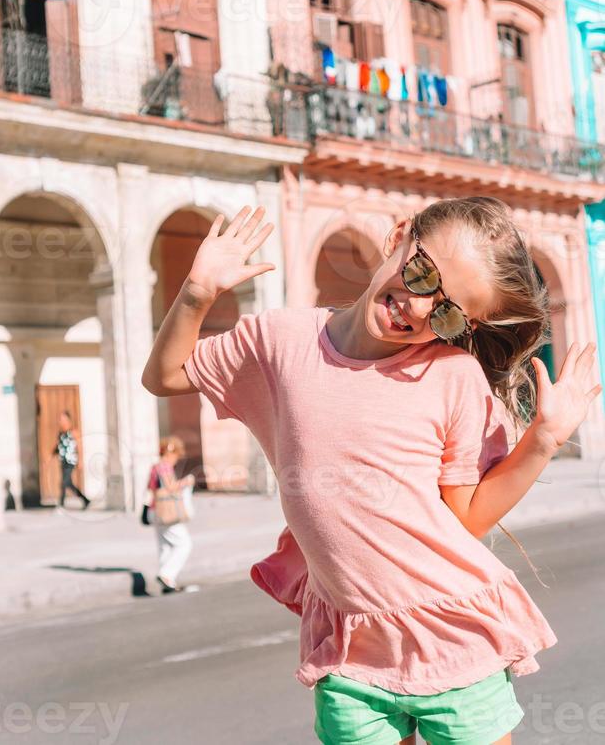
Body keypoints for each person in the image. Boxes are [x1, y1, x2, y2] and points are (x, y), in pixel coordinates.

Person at [141, 199, 601, 745]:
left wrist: (542, 440)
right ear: (399, 237)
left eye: (449, 312)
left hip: (452, 635)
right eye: (421, 272)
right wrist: (196, 293)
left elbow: (467, 519)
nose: (420, 306)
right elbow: (165, 375)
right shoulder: (278, 340)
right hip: (350, 648)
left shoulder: (452, 376)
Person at [141, 435, 197, 594]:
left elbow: (149, 490)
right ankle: (166, 575)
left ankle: (168, 582)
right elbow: (171, 487)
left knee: (164, 546)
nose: (176, 460)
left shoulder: (154, 467)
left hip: (154, 511)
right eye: (177, 456)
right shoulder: (164, 467)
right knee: (184, 543)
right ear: (170, 453)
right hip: (166, 513)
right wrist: (187, 481)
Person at [54, 410, 90, 509]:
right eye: (60, 419)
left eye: (63, 419)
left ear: (68, 420)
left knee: (64, 482)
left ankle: (61, 505)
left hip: (71, 461)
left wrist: (81, 460)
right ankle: (85, 500)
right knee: (68, 483)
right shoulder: (61, 433)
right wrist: (51, 455)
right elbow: (58, 447)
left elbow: (79, 447)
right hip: (63, 461)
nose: (61, 421)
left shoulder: (74, 432)